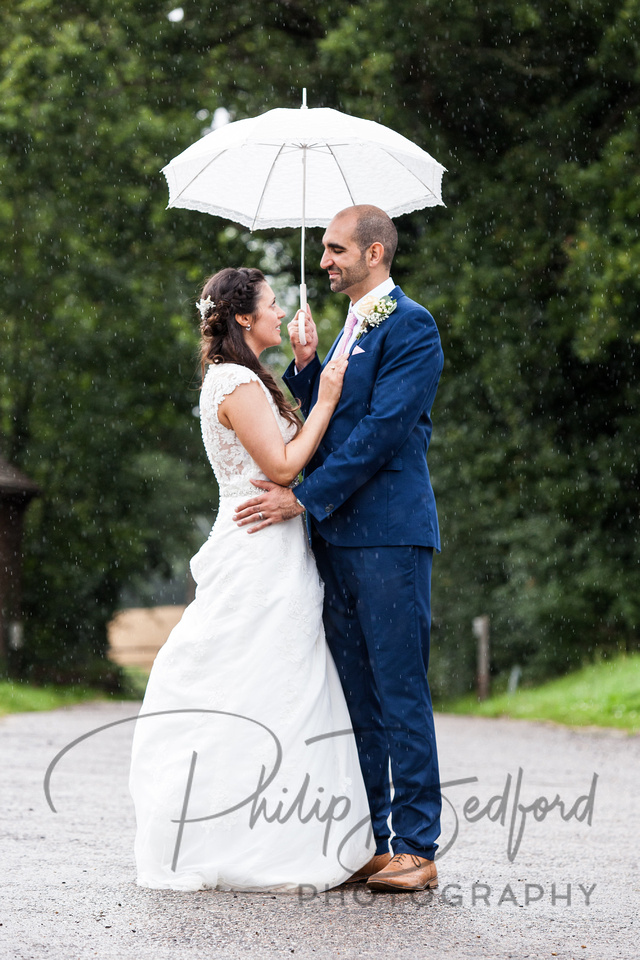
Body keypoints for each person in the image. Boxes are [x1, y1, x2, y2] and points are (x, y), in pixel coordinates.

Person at [129, 267, 372, 892]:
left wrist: (306, 363)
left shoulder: (247, 378)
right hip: (259, 547)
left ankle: (290, 833)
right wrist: (325, 399)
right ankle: (246, 836)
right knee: (255, 685)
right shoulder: (234, 382)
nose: (281, 310)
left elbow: (288, 451)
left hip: (278, 548)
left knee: (284, 686)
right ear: (243, 318)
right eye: (271, 304)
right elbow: (286, 465)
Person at [233, 205, 444, 892]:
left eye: (335, 249)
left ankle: (418, 844)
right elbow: (332, 418)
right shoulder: (352, 323)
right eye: (323, 249)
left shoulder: (412, 327)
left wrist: (304, 497)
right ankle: (374, 841)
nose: (323, 261)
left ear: (374, 253)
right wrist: (303, 368)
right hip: (337, 540)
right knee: (356, 694)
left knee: (399, 688)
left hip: (389, 535)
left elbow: (381, 433)